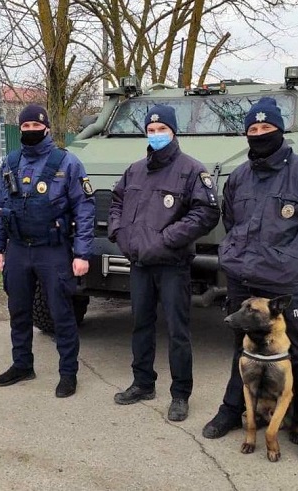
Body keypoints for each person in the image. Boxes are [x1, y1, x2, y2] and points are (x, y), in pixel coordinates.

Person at [201, 97, 298, 463]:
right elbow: (231, 221)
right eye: (253, 129)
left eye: (266, 128)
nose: (260, 134)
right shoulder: (240, 177)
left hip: (284, 283)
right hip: (244, 280)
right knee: (242, 350)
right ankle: (233, 411)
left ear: (281, 130)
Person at [107, 104, 221, 422]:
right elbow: (116, 202)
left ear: (174, 132)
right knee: (141, 325)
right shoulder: (135, 170)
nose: (156, 135)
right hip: (140, 264)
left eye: (162, 130)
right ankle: (143, 383)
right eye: (152, 130)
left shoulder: (191, 171)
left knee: (177, 331)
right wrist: (119, 233)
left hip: (172, 265)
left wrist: (167, 239)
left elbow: (206, 213)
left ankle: (180, 394)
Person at [0, 104, 95, 398]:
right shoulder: (10, 162)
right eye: (26, 127)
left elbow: (84, 209)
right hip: (18, 249)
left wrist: (82, 254)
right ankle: (22, 365)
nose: (31, 131)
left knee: (61, 314)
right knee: (18, 311)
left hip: (53, 250)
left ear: (46, 128)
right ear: (20, 129)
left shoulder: (67, 163)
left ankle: (68, 373)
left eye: (36, 127)